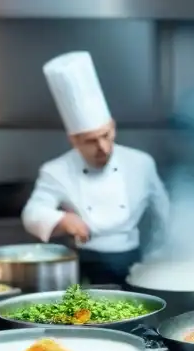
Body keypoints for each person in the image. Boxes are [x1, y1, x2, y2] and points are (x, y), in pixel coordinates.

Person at [21, 51, 170, 286]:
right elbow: (31, 214)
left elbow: (164, 212)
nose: (102, 147)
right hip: (84, 265)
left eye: (106, 135)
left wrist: (161, 254)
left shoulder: (141, 163)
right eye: (90, 140)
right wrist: (62, 219)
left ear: (113, 127)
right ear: (74, 140)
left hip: (135, 262)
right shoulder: (55, 170)